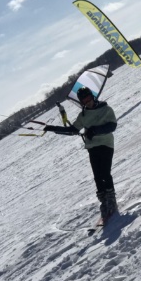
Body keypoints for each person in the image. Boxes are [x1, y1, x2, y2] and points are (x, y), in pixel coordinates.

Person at [44, 87, 119, 223]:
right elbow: (73, 130)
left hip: (106, 144)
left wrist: (94, 130)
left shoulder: (106, 109)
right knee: (97, 176)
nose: (88, 102)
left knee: (105, 173)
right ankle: (104, 202)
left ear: (93, 96)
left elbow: (112, 126)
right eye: (84, 100)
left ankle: (111, 200)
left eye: (89, 98)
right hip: (92, 147)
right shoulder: (83, 116)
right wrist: (54, 128)